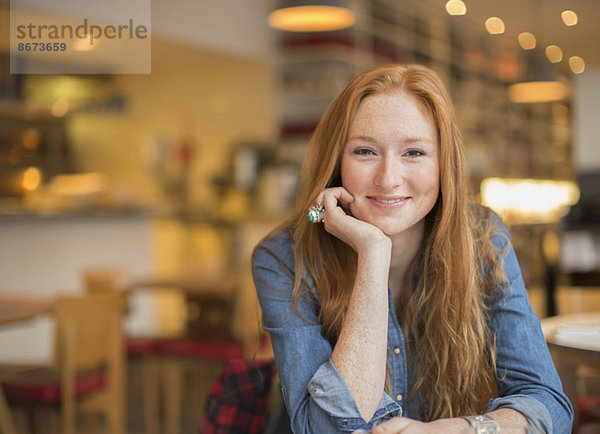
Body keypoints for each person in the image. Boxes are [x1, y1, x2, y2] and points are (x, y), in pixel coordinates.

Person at [252, 64, 572, 433]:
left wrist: (464, 430)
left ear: (443, 164)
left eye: (414, 153)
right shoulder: (283, 258)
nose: (388, 179)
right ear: (337, 161)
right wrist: (372, 253)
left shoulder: (483, 237)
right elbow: (324, 428)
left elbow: (549, 406)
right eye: (365, 151)